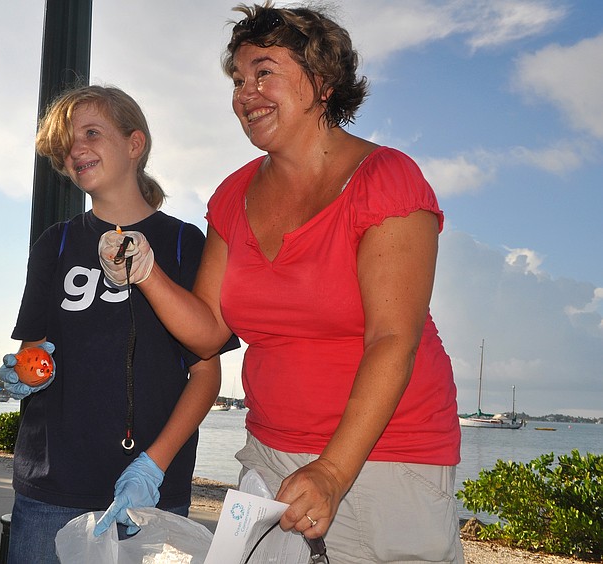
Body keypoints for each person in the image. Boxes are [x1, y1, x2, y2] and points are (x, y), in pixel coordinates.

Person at [99, 3, 463, 562]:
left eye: (264, 71)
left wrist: (334, 471)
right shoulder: (232, 195)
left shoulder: (387, 180)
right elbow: (208, 332)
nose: (246, 94)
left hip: (384, 461)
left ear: (321, 80)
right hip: (269, 454)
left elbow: (393, 339)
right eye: (239, 80)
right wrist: (146, 273)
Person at [0, 85, 238, 563]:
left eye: (91, 133)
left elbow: (206, 373)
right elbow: (34, 353)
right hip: (51, 490)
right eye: (68, 143)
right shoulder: (56, 243)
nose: (77, 149)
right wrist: (22, 374)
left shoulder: (183, 243)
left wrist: (154, 465)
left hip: (151, 496)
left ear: (135, 144)